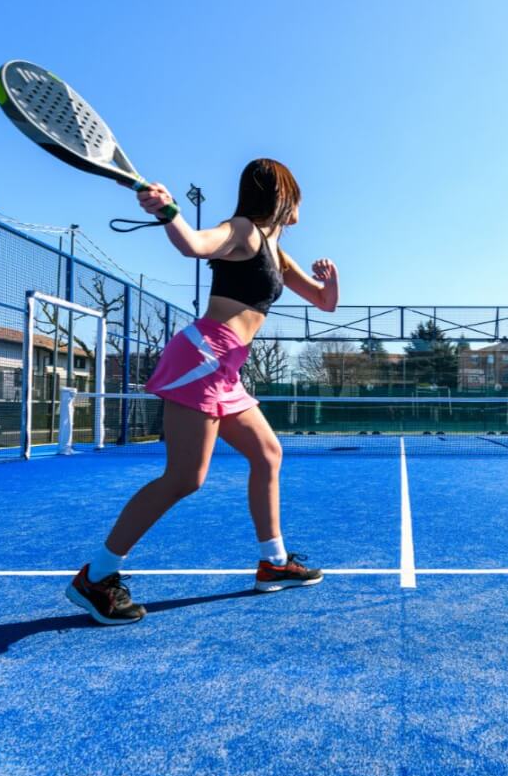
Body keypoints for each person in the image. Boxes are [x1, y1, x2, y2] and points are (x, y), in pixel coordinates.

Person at [67, 159, 339, 625]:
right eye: (295, 194)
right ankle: (96, 577)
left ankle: (274, 563)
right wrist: (168, 210)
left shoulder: (275, 250)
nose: (301, 204)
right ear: (281, 195)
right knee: (185, 478)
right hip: (202, 358)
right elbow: (193, 244)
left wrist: (331, 281)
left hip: (225, 366)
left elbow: (324, 302)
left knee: (268, 454)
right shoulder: (243, 231)